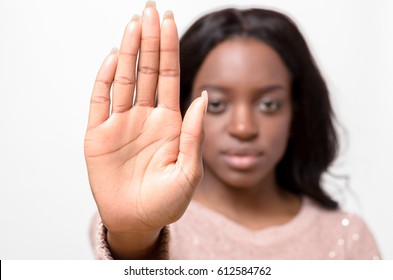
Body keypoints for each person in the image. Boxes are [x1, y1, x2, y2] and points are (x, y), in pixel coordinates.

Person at [84, 1, 381, 259]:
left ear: (296, 113)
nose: (243, 128)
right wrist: (135, 237)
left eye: (268, 104)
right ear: (182, 110)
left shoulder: (347, 239)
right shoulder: (137, 224)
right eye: (215, 104)